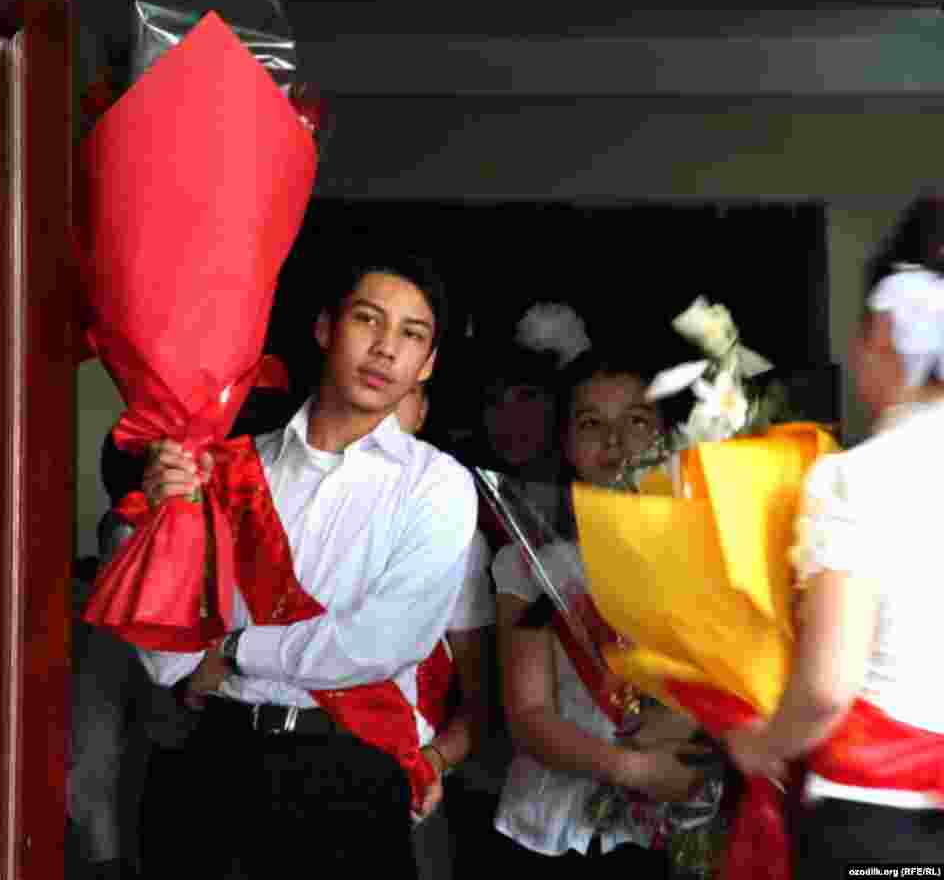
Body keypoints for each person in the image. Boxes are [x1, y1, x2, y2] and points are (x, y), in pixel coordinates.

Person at [126, 258, 478, 879]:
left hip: (348, 767)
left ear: (428, 365)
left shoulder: (437, 484)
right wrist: (153, 514)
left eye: (412, 334)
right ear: (325, 328)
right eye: (367, 320)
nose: (385, 349)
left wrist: (234, 652)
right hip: (215, 752)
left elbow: (379, 644)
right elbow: (164, 652)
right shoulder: (229, 467)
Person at [724, 257, 944, 874]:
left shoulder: (857, 477)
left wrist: (760, 744)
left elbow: (826, 686)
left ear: (882, 340)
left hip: (881, 814)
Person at [491, 349, 710, 876]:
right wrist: (637, 769)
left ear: (666, 434)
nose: (614, 442)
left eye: (636, 420)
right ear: (565, 442)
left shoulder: (714, 557)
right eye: (591, 423)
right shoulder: (533, 568)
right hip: (554, 831)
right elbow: (530, 716)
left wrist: (688, 734)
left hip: (679, 825)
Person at [395, 383, 497, 880]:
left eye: (403, 392)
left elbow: (478, 705)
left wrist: (431, 762)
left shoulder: (454, 523)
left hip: (410, 789)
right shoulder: (287, 504)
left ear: (423, 410)